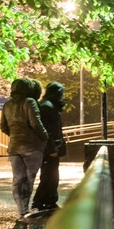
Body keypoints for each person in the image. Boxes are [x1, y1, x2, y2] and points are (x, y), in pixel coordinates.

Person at [0, 78, 48, 219]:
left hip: (14, 147)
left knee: (17, 179)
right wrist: (45, 137)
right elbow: (36, 123)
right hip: (32, 146)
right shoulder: (29, 102)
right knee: (29, 179)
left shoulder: (7, 104)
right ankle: (25, 210)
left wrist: (14, 135)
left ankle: (21, 210)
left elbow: (3, 126)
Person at [32, 82, 66, 211]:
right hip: (50, 148)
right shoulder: (48, 107)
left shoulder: (47, 105)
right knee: (49, 175)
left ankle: (48, 201)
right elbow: (47, 130)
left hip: (49, 147)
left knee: (50, 174)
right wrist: (51, 148)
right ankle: (41, 202)